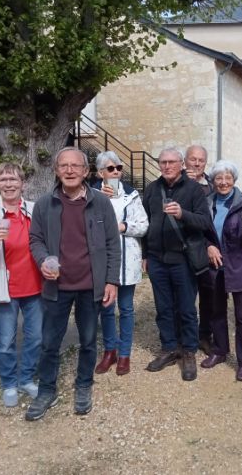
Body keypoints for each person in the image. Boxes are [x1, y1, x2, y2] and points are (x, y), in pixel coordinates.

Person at [25, 147, 121, 421]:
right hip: (56, 287)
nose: (69, 170)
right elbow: (35, 240)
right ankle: (47, 390)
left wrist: (111, 280)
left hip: (91, 286)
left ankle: (83, 385)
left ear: (86, 171)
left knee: (88, 341)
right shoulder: (45, 204)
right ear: (56, 171)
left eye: (75, 166)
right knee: (49, 343)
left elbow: (113, 244)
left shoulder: (100, 203)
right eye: (63, 166)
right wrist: (43, 260)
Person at [0, 163, 43, 407]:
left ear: (22, 183)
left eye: (13, 179)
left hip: (35, 287)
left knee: (35, 338)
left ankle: (26, 379)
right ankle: (9, 384)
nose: (9, 184)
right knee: (6, 342)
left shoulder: (35, 211)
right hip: (5, 290)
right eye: (3, 180)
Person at [142, 147, 211, 382]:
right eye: (163, 162)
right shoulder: (152, 189)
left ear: (182, 164)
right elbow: (145, 224)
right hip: (157, 259)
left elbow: (205, 222)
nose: (167, 166)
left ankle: (189, 351)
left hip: (182, 259)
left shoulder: (194, 190)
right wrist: (145, 255)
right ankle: (169, 348)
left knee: (186, 308)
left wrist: (183, 214)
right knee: (163, 308)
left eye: (172, 162)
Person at [200, 161, 242, 381]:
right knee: (217, 312)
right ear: (213, 181)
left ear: (234, 180)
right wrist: (208, 246)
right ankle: (219, 351)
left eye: (227, 178)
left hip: (240, 266)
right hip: (215, 266)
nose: (223, 182)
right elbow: (200, 231)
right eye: (219, 178)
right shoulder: (207, 203)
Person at [92, 151, 148, 376]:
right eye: (110, 168)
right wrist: (101, 199)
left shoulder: (131, 195)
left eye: (119, 168)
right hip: (103, 261)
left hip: (127, 260)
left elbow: (143, 225)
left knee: (126, 308)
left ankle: (124, 353)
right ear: (100, 173)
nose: (116, 172)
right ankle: (110, 351)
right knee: (106, 308)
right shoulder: (91, 195)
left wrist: (123, 227)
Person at [184, 144, 214, 355]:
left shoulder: (212, 185)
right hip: (184, 248)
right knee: (185, 296)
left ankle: (204, 335)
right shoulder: (175, 183)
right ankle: (185, 337)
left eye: (201, 160)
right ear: (185, 161)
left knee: (208, 295)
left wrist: (210, 245)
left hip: (208, 248)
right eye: (193, 159)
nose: (196, 163)